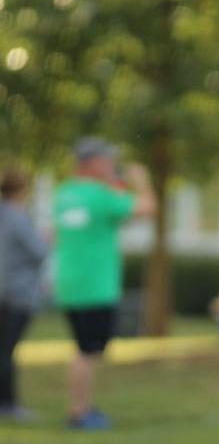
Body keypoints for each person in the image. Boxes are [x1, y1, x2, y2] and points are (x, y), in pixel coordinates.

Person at [52, 138, 156, 429]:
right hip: (96, 286)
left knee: (83, 349)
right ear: (93, 163)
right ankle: (79, 412)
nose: (112, 165)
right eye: (107, 160)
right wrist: (141, 180)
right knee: (87, 352)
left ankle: (81, 408)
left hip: (69, 284)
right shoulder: (99, 196)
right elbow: (147, 209)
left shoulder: (64, 193)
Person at [0, 168, 50, 420]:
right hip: (16, 292)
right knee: (7, 350)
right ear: (22, 190)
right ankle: (7, 404)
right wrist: (48, 238)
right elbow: (38, 252)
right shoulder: (18, 217)